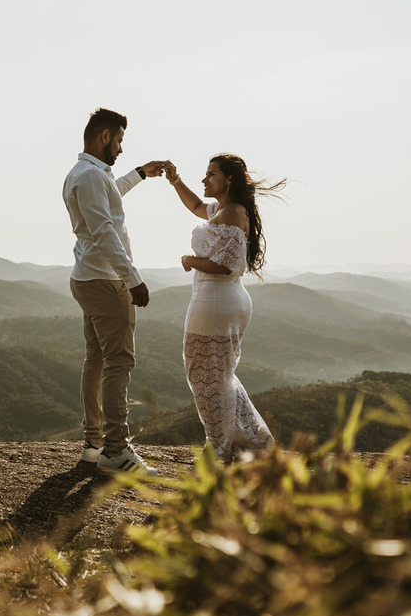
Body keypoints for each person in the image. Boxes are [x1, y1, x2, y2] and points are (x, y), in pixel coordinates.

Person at [63, 108, 173, 476]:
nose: (122, 149)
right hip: (107, 281)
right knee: (119, 363)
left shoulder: (87, 174)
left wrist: (141, 173)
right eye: (121, 141)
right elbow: (104, 230)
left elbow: (111, 196)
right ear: (105, 136)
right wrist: (132, 278)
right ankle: (115, 450)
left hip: (88, 277)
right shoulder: (92, 176)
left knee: (96, 359)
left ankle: (94, 443)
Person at [164, 153, 285, 464]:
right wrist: (176, 181)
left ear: (228, 179)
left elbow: (226, 265)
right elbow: (194, 206)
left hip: (217, 302)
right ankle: (248, 442)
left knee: (206, 377)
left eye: (211, 174)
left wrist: (189, 261)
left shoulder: (232, 213)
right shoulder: (225, 209)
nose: (205, 180)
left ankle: (221, 450)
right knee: (219, 375)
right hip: (222, 301)